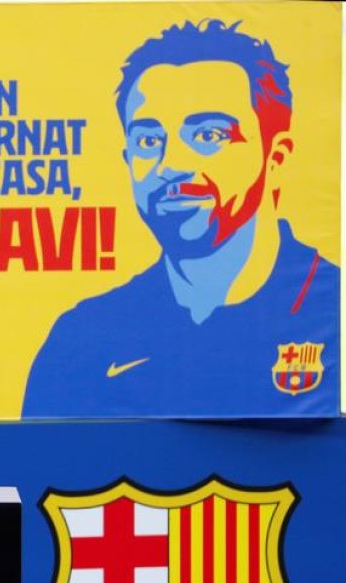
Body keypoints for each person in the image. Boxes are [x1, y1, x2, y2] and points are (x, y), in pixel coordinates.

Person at [22, 19, 339, 418]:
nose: (171, 163)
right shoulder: (80, 342)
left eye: (208, 135)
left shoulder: (331, 307)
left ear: (275, 158)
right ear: (127, 160)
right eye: (149, 140)